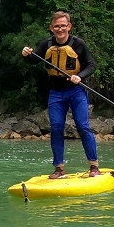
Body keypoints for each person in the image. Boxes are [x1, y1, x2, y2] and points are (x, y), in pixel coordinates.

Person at [22, 11, 100, 179]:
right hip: (56, 93)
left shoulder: (79, 44)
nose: (60, 29)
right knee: (56, 128)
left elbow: (91, 65)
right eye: (56, 26)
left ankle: (93, 166)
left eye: (63, 26)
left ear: (69, 26)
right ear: (51, 28)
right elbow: (34, 60)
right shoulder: (46, 44)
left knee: (82, 126)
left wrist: (80, 76)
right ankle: (59, 169)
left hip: (76, 90)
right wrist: (27, 54)